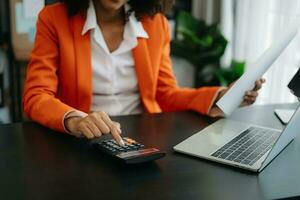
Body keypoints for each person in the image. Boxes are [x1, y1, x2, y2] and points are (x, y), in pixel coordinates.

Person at [23, 0, 265, 146]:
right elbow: (36, 95)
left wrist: (222, 96)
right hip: (81, 142)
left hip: (141, 140)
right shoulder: (53, 19)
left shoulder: (155, 23)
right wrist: (75, 120)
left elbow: (166, 93)